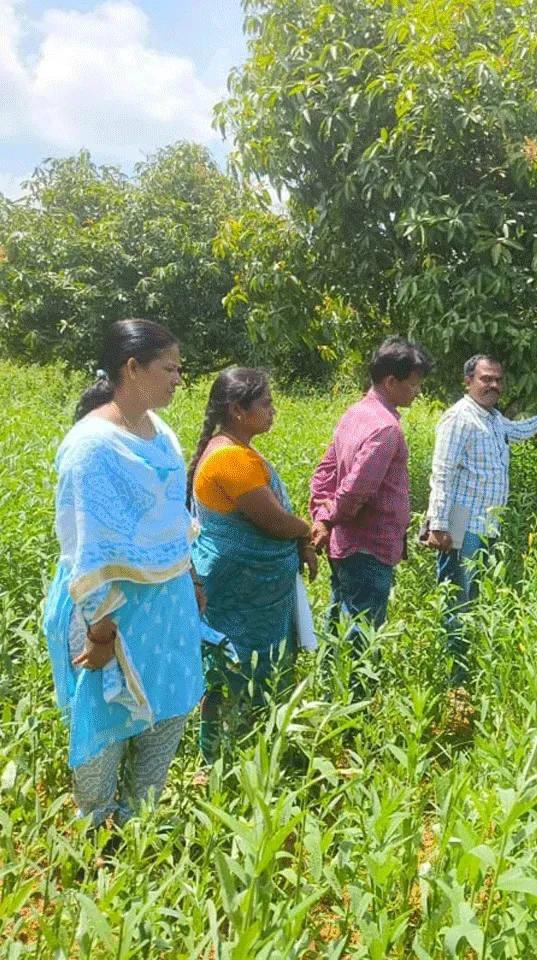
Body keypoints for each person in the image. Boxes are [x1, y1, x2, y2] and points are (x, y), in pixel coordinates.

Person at [42, 318, 218, 828]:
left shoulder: (160, 433)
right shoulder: (91, 447)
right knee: (105, 724)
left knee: (166, 712)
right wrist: (99, 631)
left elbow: (172, 518)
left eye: (179, 369)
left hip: (166, 606)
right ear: (133, 368)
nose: (178, 380)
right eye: (169, 369)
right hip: (112, 612)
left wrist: (190, 579)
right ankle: (97, 832)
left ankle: (140, 827)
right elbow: (87, 546)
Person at [188, 368, 318, 764]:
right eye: (265, 403)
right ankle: (220, 759)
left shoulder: (234, 450)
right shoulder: (230, 458)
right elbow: (274, 521)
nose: (273, 411)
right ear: (237, 410)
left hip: (248, 585)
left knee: (246, 663)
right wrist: (305, 530)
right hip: (240, 585)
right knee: (233, 664)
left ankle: (250, 750)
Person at [424, 354, 537, 685]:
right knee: (458, 599)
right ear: (468, 381)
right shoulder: (459, 419)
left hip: (485, 526)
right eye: (486, 379)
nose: (493, 385)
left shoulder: (494, 419)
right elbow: (441, 474)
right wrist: (438, 525)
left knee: (475, 597)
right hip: (460, 522)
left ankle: (466, 671)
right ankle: (455, 679)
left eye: (498, 380)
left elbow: (519, 430)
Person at [308, 337, 435, 670]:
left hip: (346, 545)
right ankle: (352, 713)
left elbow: (324, 473)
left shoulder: (355, 414)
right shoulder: (385, 428)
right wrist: (330, 517)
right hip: (368, 547)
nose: (417, 391)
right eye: (413, 383)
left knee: (337, 621)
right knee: (361, 638)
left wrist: (322, 519)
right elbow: (353, 491)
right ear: (390, 382)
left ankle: (327, 697)